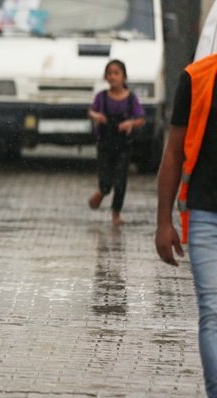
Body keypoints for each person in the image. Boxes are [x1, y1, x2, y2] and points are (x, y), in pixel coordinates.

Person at [155, 53, 217, 397]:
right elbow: (174, 153)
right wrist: (163, 221)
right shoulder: (196, 78)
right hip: (206, 215)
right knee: (213, 312)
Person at [87, 60, 145, 226]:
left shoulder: (131, 99)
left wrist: (130, 124)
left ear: (124, 77)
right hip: (105, 144)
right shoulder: (102, 97)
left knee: (120, 180)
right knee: (105, 178)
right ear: (105, 77)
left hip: (123, 146)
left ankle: (116, 213)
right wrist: (96, 116)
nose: (112, 76)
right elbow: (91, 111)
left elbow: (141, 119)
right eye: (109, 73)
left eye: (116, 73)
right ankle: (102, 191)